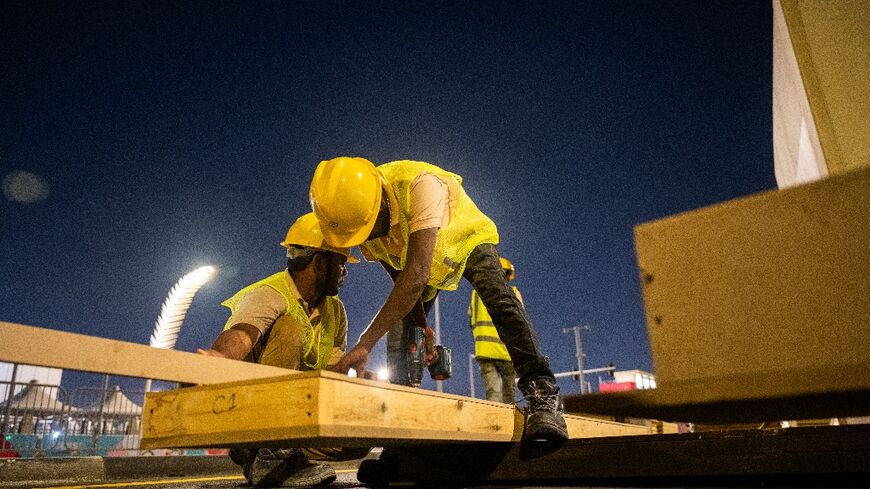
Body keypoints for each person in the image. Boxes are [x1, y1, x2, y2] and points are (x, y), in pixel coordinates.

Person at [309, 157, 568, 442]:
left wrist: (365, 343)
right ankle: (401, 430)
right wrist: (423, 329)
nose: (368, 238)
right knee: (401, 334)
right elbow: (402, 279)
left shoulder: (420, 185)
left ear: (379, 202)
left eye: (370, 229)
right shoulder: (359, 219)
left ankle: (544, 394)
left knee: (499, 298)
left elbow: (416, 274)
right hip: (419, 262)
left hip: (464, 238)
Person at [197, 212, 368, 487]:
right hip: (254, 408)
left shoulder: (335, 310)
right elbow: (241, 335)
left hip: (296, 411)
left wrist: (357, 375)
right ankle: (267, 450)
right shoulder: (272, 293)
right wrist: (218, 359)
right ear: (319, 262)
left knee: (359, 442)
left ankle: (276, 455)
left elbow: (331, 369)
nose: (344, 272)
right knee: (289, 328)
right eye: (340, 263)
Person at [470, 256, 521, 404]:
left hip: (484, 350)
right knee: (509, 396)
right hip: (507, 352)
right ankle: (509, 425)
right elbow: (521, 325)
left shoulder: (476, 294)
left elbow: (471, 319)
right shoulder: (513, 293)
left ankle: (494, 423)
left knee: (492, 393)